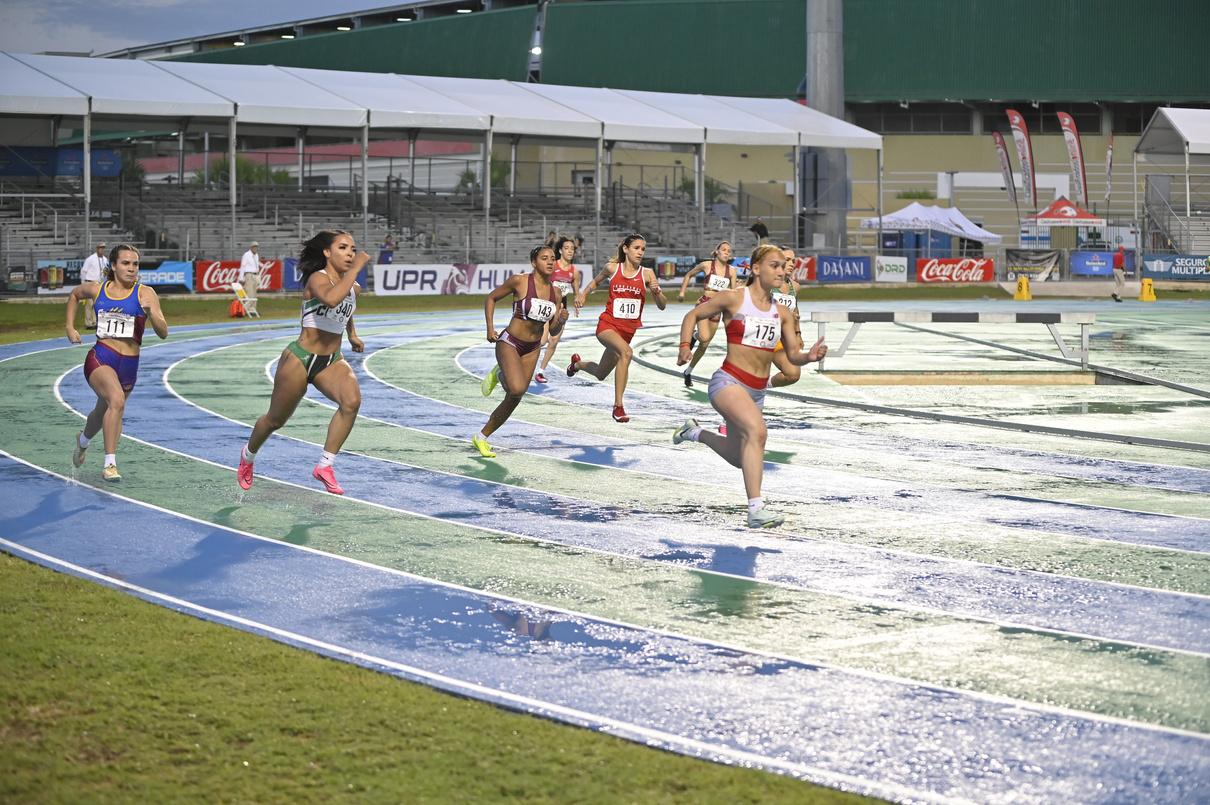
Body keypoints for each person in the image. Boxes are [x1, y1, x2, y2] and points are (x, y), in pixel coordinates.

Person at [672, 244, 827, 528]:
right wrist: (684, 346)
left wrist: (809, 357)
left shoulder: (782, 312)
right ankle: (756, 510)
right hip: (728, 382)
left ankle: (693, 432)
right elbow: (692, 315)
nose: (781, 271)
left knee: (739, 457)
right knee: (758, 432)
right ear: (756, 268)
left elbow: (793, 355)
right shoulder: (734, 298)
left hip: (756, 392)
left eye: (783, 266)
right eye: (774, 265)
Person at [237, 231, 368, 495]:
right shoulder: (317, 279)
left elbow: (346, 307)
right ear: (327, 252)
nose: (350, 254)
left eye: (353, 249)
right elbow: (332, 298)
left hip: (331, 361)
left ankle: (325, 466)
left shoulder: (353, 287)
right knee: (275, 420)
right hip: (300, 358)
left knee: (351, 402)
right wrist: (356, 269)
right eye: (343, 248)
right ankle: (247, 456)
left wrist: (352, 334)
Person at [65, 244, 169, 482]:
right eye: (125, 263)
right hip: (101, 357)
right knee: (117, 401)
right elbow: (74, 295)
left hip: (129, 365)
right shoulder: (98, 289)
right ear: (113, 266)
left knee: (105, 411)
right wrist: (70, 327)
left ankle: (83, 441)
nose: (131, 268)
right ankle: (110, 464)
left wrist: (152, 314)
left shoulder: (146, 293)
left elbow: (163, 333)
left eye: (135, 264)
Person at [473, 245, 569, 458]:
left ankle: (481, 437)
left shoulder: (556, 293)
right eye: (544, 258)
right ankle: (500, 372)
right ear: (534, 262)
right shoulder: (520, 281)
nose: (550, 262)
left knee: (516, 395)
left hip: (532, 347)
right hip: (510, 342)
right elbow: (491, 298)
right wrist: (489, 328)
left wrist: (561, 321)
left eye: (553, 258)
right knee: (516, 388)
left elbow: (553, 329)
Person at [568, 235, 666, 423]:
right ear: (626, 249)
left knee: (600, 374)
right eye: (636, 248)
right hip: (607, 325)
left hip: (626, 333)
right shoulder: (612, 268)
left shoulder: (647, 274)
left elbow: (662, 305)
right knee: (626, 353)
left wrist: (657, 292)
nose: (640, 252)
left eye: (643, 249)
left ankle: (576, 364)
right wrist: (583, 294)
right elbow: (595, 282)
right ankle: (618, 406)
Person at [677, 241, 736, 388]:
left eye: (729, 251)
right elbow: (689, 275)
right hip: (704, 304)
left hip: (718, 309)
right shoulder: (707, 265)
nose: (726, 252)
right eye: (724, 249)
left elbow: (734, 293)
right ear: (716, 251)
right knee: (703, 337)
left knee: (704, 344)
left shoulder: (732, 271)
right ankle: (694, 335)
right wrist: (682, 292)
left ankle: (688, 372)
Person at [535, 236, 582, 383]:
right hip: (547, 305)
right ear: (560, 251)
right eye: (566, 248)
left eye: (572, 249)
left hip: (562, 308)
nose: (570, 251)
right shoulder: (553, 265)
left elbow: (576, 293)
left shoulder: (574, 272)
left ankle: (540, 372)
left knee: (554, 341)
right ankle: (521, 361)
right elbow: (540, 280)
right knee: (542, 341)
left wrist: (577, 301)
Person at [768, 247, 805, 388]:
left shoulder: (795, 287)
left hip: (784, 337)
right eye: (787, 260)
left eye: (793, 261)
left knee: (793, 374)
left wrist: (798, 334)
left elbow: (795, 310)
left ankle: (763, 386)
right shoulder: (766, 282)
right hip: (764, 335)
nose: (792, 264)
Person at [79, 241, 108, 329]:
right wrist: (83, 283)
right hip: (90, 282)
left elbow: (106, 272)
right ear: (97, 249)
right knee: (89, 304)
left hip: (99, 283)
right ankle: (88, 323)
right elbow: (84, 271)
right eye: (100, 248)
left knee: (97, 303)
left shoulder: (105, 260)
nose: (102, 250)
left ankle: (95, 322)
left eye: (103, 248)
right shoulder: (90, 259)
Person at [240, 241, 261, 315]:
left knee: (254, 294)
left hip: (255, 275)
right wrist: (241, 278)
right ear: (251, 247)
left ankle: (253, 310)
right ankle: (246, 310)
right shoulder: (246, 255)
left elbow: (256, 265)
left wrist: (258, 275)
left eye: (256, 247)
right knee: (250, 293)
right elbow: (243, 266)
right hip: (249, 275)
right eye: (254, 247)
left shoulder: (256, 255)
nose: (256, 248)